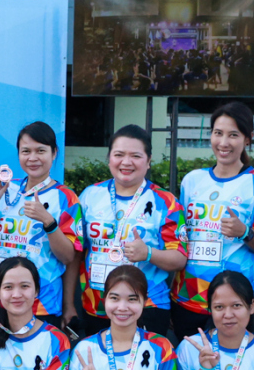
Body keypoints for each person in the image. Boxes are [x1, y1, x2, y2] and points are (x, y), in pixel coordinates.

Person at [69, 125, 186, 339]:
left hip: (146, 305)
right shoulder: (89, 195)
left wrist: (148, 253)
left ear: (148, 161)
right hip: (97, 304)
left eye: (135, 156)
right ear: (109, 159)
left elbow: (179, 258)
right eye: (119, 154)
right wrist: (69, 303)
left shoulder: (166, 202)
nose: (126, 162)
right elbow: (76, 252)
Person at [174, 103, 254, 342]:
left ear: (247, 139)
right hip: (188, 296)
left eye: (233, 135)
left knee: (230, 362)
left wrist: (244, 232)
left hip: (233, 301)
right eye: (218, 133)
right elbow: (179, 238)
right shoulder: (192, 180)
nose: (224, 142)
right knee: (189, 361)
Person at [0, 121, 78, 320]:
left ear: (54, 153)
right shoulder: (6, 188)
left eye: (40, 151)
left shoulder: (66, 197)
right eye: (26, 151)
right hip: (1, 296)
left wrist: (48, 222)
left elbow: (68, 256)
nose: (32, 158)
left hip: (42, 301)